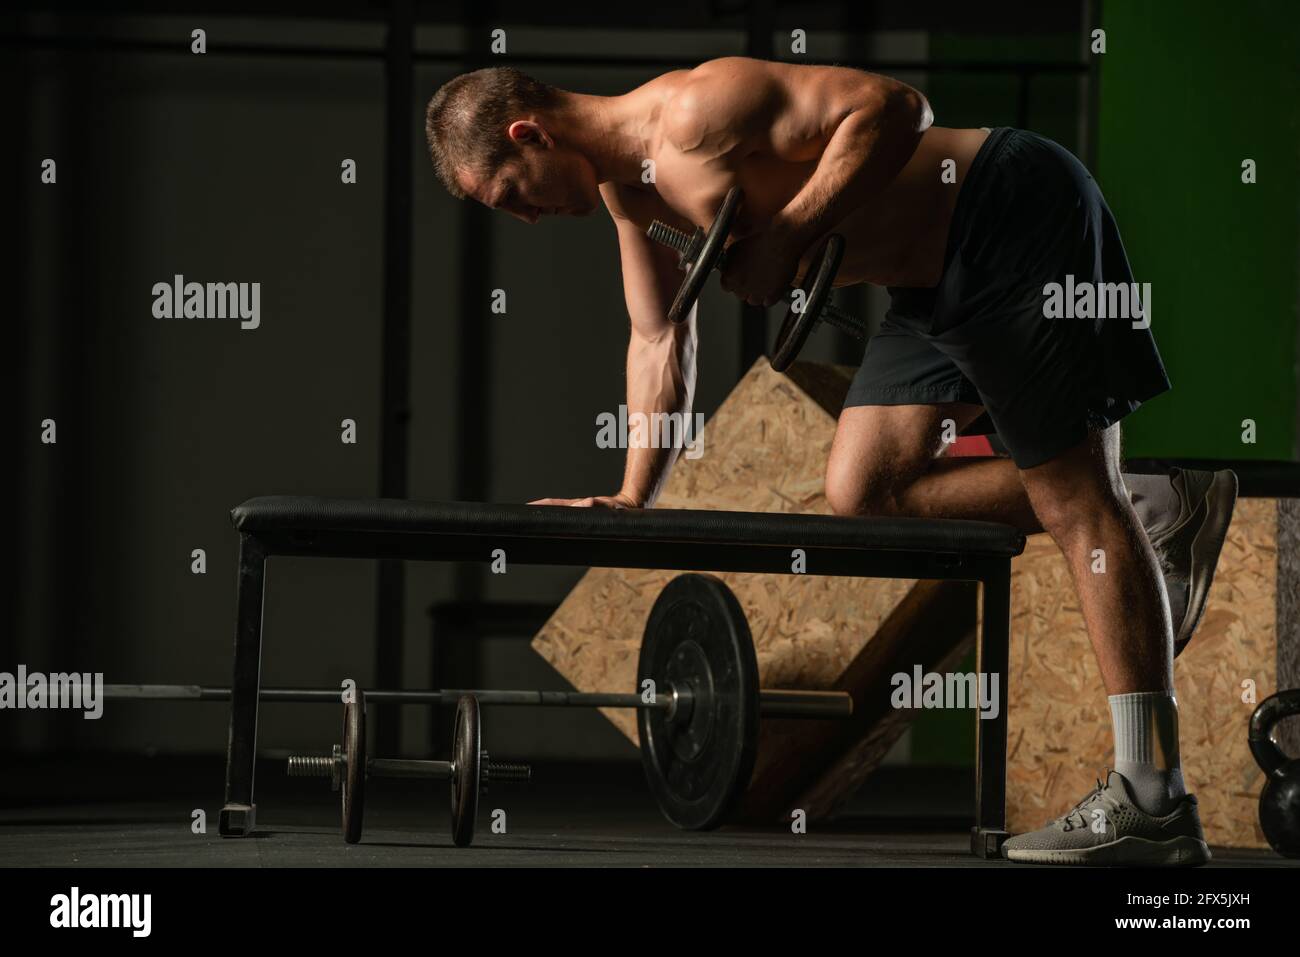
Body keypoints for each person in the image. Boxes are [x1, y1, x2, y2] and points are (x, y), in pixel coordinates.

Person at [424, 57, 1237, 866]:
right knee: (866, 491)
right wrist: (635, 495)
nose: (525, 219)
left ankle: (1152, 797)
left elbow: (895, 108)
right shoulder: (626, 193)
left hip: (1005, 208)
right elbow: (658, 335)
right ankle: (1145, 499)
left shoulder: (696, 112)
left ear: (527, 133)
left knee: (1074, 508)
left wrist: (786, 235)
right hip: (927, 287)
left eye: (511, 197)